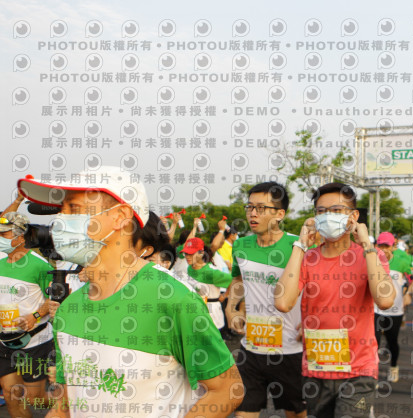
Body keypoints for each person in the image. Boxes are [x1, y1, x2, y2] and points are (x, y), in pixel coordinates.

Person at [18, 166, 243, 417]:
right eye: (61, 210)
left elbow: (227, 389)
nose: (60, 221)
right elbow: (67, 404)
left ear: (120, 216)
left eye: (74, 209)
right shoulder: (68, 310)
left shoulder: (173, 298)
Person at [275, 182, 395, 417]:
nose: (328, 216)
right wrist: (300, 245)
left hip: (359, 370)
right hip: (316, 369)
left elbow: (385, 300)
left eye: (337, 210)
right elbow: (282, 302)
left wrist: (367, 245)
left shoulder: (371, 255)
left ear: (354, 216)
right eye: (321, 211)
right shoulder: (307, 258)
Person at [225, 181, 306, 418]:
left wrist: (312, 321)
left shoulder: (298, 246)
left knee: (296, 414)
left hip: (292, 349)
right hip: (252, 348)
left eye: (261, 208)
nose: (253, 213)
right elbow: (238, 280)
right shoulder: (240, 245)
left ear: (280, 214)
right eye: (249, 207)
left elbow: (317, 288)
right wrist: (232, 309)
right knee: (243, 413)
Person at [0, 212, 54, 417]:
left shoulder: (41, 265)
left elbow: (55, 299)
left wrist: (35, 316)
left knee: (36, 400)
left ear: (20, 237)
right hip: (5, 341)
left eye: (3, 234)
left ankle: (66, 403)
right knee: (11, 394)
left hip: (35, 342)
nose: (0, 238)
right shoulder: (0, 262)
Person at [374, 232, 412, 383]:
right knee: (374, 343)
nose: (383, 249)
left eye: (387, 246)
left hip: (395, 310)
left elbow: (412, 279)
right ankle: (373, 375)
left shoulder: (401, 263)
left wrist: (408, 293)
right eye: (381, 245)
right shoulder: (372, 261)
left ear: (393, 247)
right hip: (376, 309)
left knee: (392, 341)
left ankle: (393, 367)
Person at [183, 238, 232, 331]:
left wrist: (225, 295)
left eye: (191, 253)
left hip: (211, 314)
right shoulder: (189, 268)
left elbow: (233, 280)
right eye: (186, 253)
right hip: (195, 311)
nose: (187, 257)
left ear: (201, 253)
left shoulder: (211, 272)